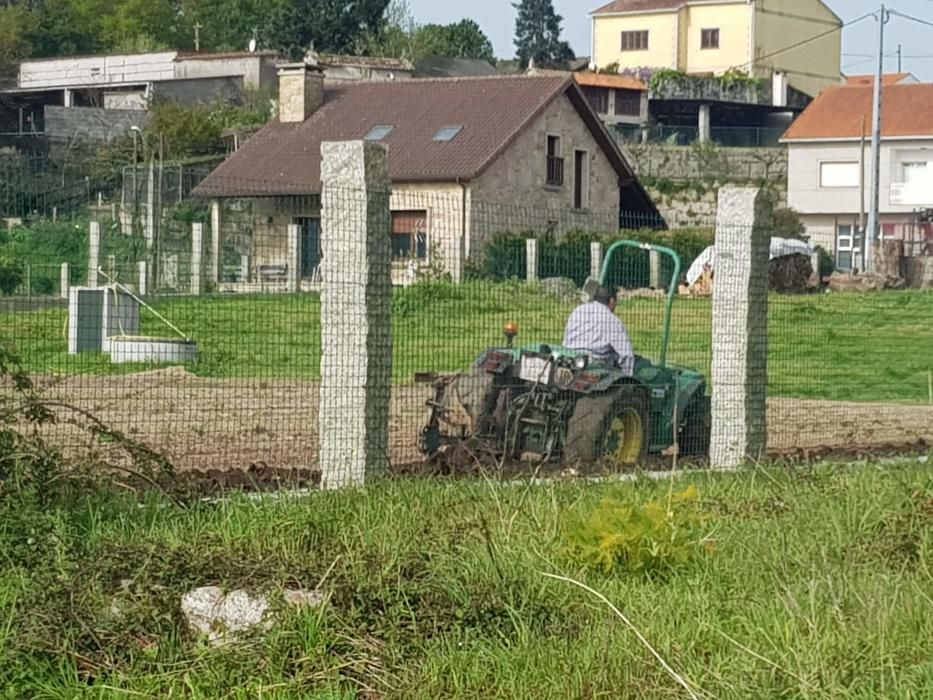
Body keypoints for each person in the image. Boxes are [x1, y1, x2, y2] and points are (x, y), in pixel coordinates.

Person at [562, 285, 635, 376]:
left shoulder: (578, 310)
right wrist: (627, 377)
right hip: (592, 366)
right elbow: (626, 355)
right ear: (611, 300)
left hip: (567, 359)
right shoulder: (612, 320)